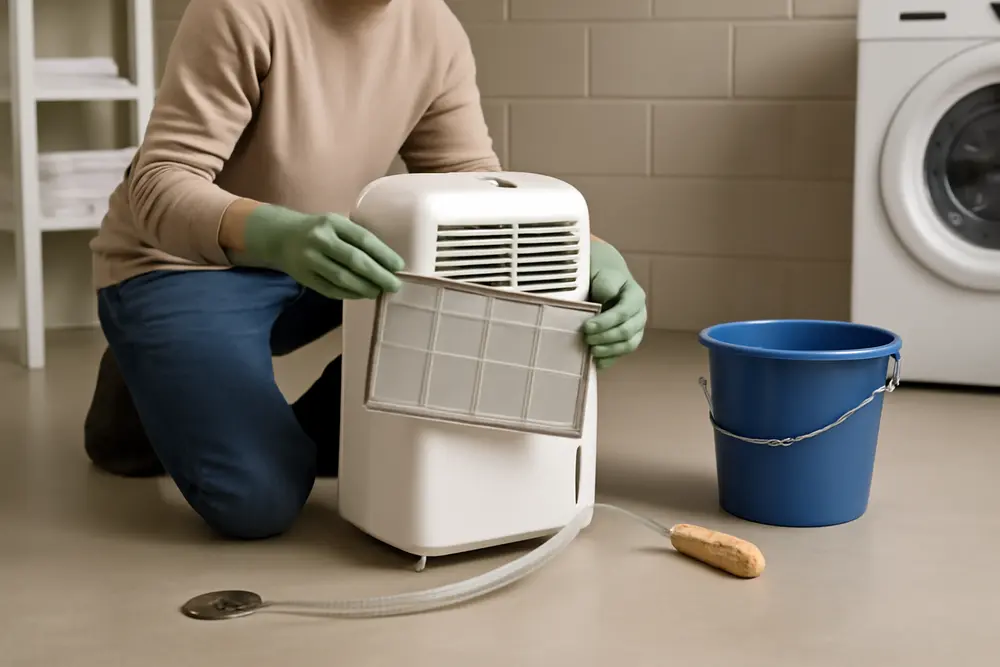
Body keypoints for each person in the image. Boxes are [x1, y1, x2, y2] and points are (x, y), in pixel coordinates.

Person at [83, 0, 648, 540]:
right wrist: (277, 235)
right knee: (258, 502)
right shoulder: (240, 10)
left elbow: (469, 181)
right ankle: (153, 370)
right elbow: (158, 183)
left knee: (465, 291)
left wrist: (585, 246)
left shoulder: (435, 28)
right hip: (179, 266)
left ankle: (197, 388)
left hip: (320, 259)